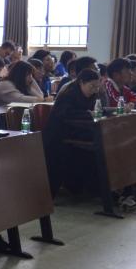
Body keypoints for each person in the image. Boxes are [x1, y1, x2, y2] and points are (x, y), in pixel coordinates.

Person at [42, 68, 101, 197]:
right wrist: (88, 114)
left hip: (78, 131)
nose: (95, 90)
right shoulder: (69, 93)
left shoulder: (91, 94)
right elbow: (65, 114)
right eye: (92, 86)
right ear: (81, 82)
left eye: (97, 87)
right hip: (59, 135)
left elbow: (95, 111)